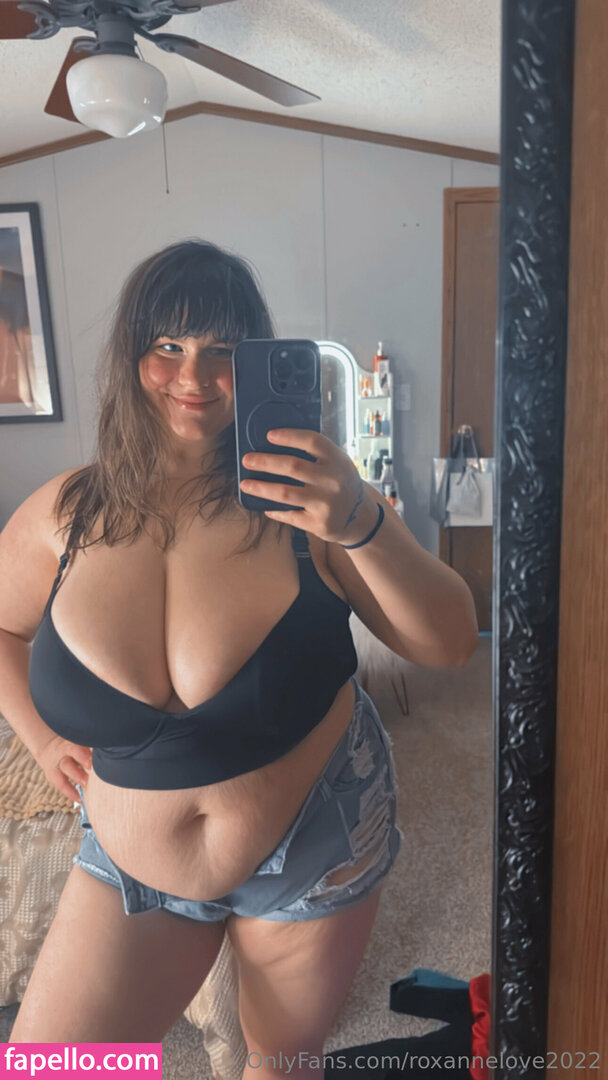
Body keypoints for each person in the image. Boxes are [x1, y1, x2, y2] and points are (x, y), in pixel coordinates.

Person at [1, 239, 478, 1061]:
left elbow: (451, 644)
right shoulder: (62, 515)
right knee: (58, 1068)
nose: (194, 376)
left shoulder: (311, 502)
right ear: (131, 356)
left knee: (279, 1065)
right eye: (168, 345)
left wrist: (360, 520)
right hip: (131, 865)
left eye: (224, 350)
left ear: (257, 360)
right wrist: (40, 738)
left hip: (314, 842)